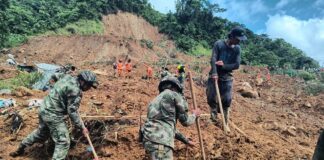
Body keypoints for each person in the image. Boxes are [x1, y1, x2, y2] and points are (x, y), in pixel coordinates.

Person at [10, 70, 99, 159]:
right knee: (63, 142)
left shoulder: (66, 76)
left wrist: (55, 89)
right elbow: (72, 112)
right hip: (53, 115)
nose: (88, 88)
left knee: (41, 134)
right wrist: (82, 127)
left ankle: (21, 147)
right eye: (88, 85)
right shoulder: (76, 91)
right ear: (82, 81)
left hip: (44, 108)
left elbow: (54, 75)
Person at [141, 76, 201, 159]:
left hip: (149, 140)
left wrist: (186, 141)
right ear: (175, 87)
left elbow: (167, 128)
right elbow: (185, 121)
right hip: (160, 143)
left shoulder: (153, 102)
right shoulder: (173, 95)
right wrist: (194, 115)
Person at [206, 26, 247, 131]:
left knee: (227, 100)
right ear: (232, 36)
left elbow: (236, 65)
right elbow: (213, 58)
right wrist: (214, 73)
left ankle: (225, 122)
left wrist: (224, 66)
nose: (239, 41)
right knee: (211, 96)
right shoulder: (219, 44)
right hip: (214, 74)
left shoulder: (237, 49)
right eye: (238, 39)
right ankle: (213, 117)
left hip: (227, 76)